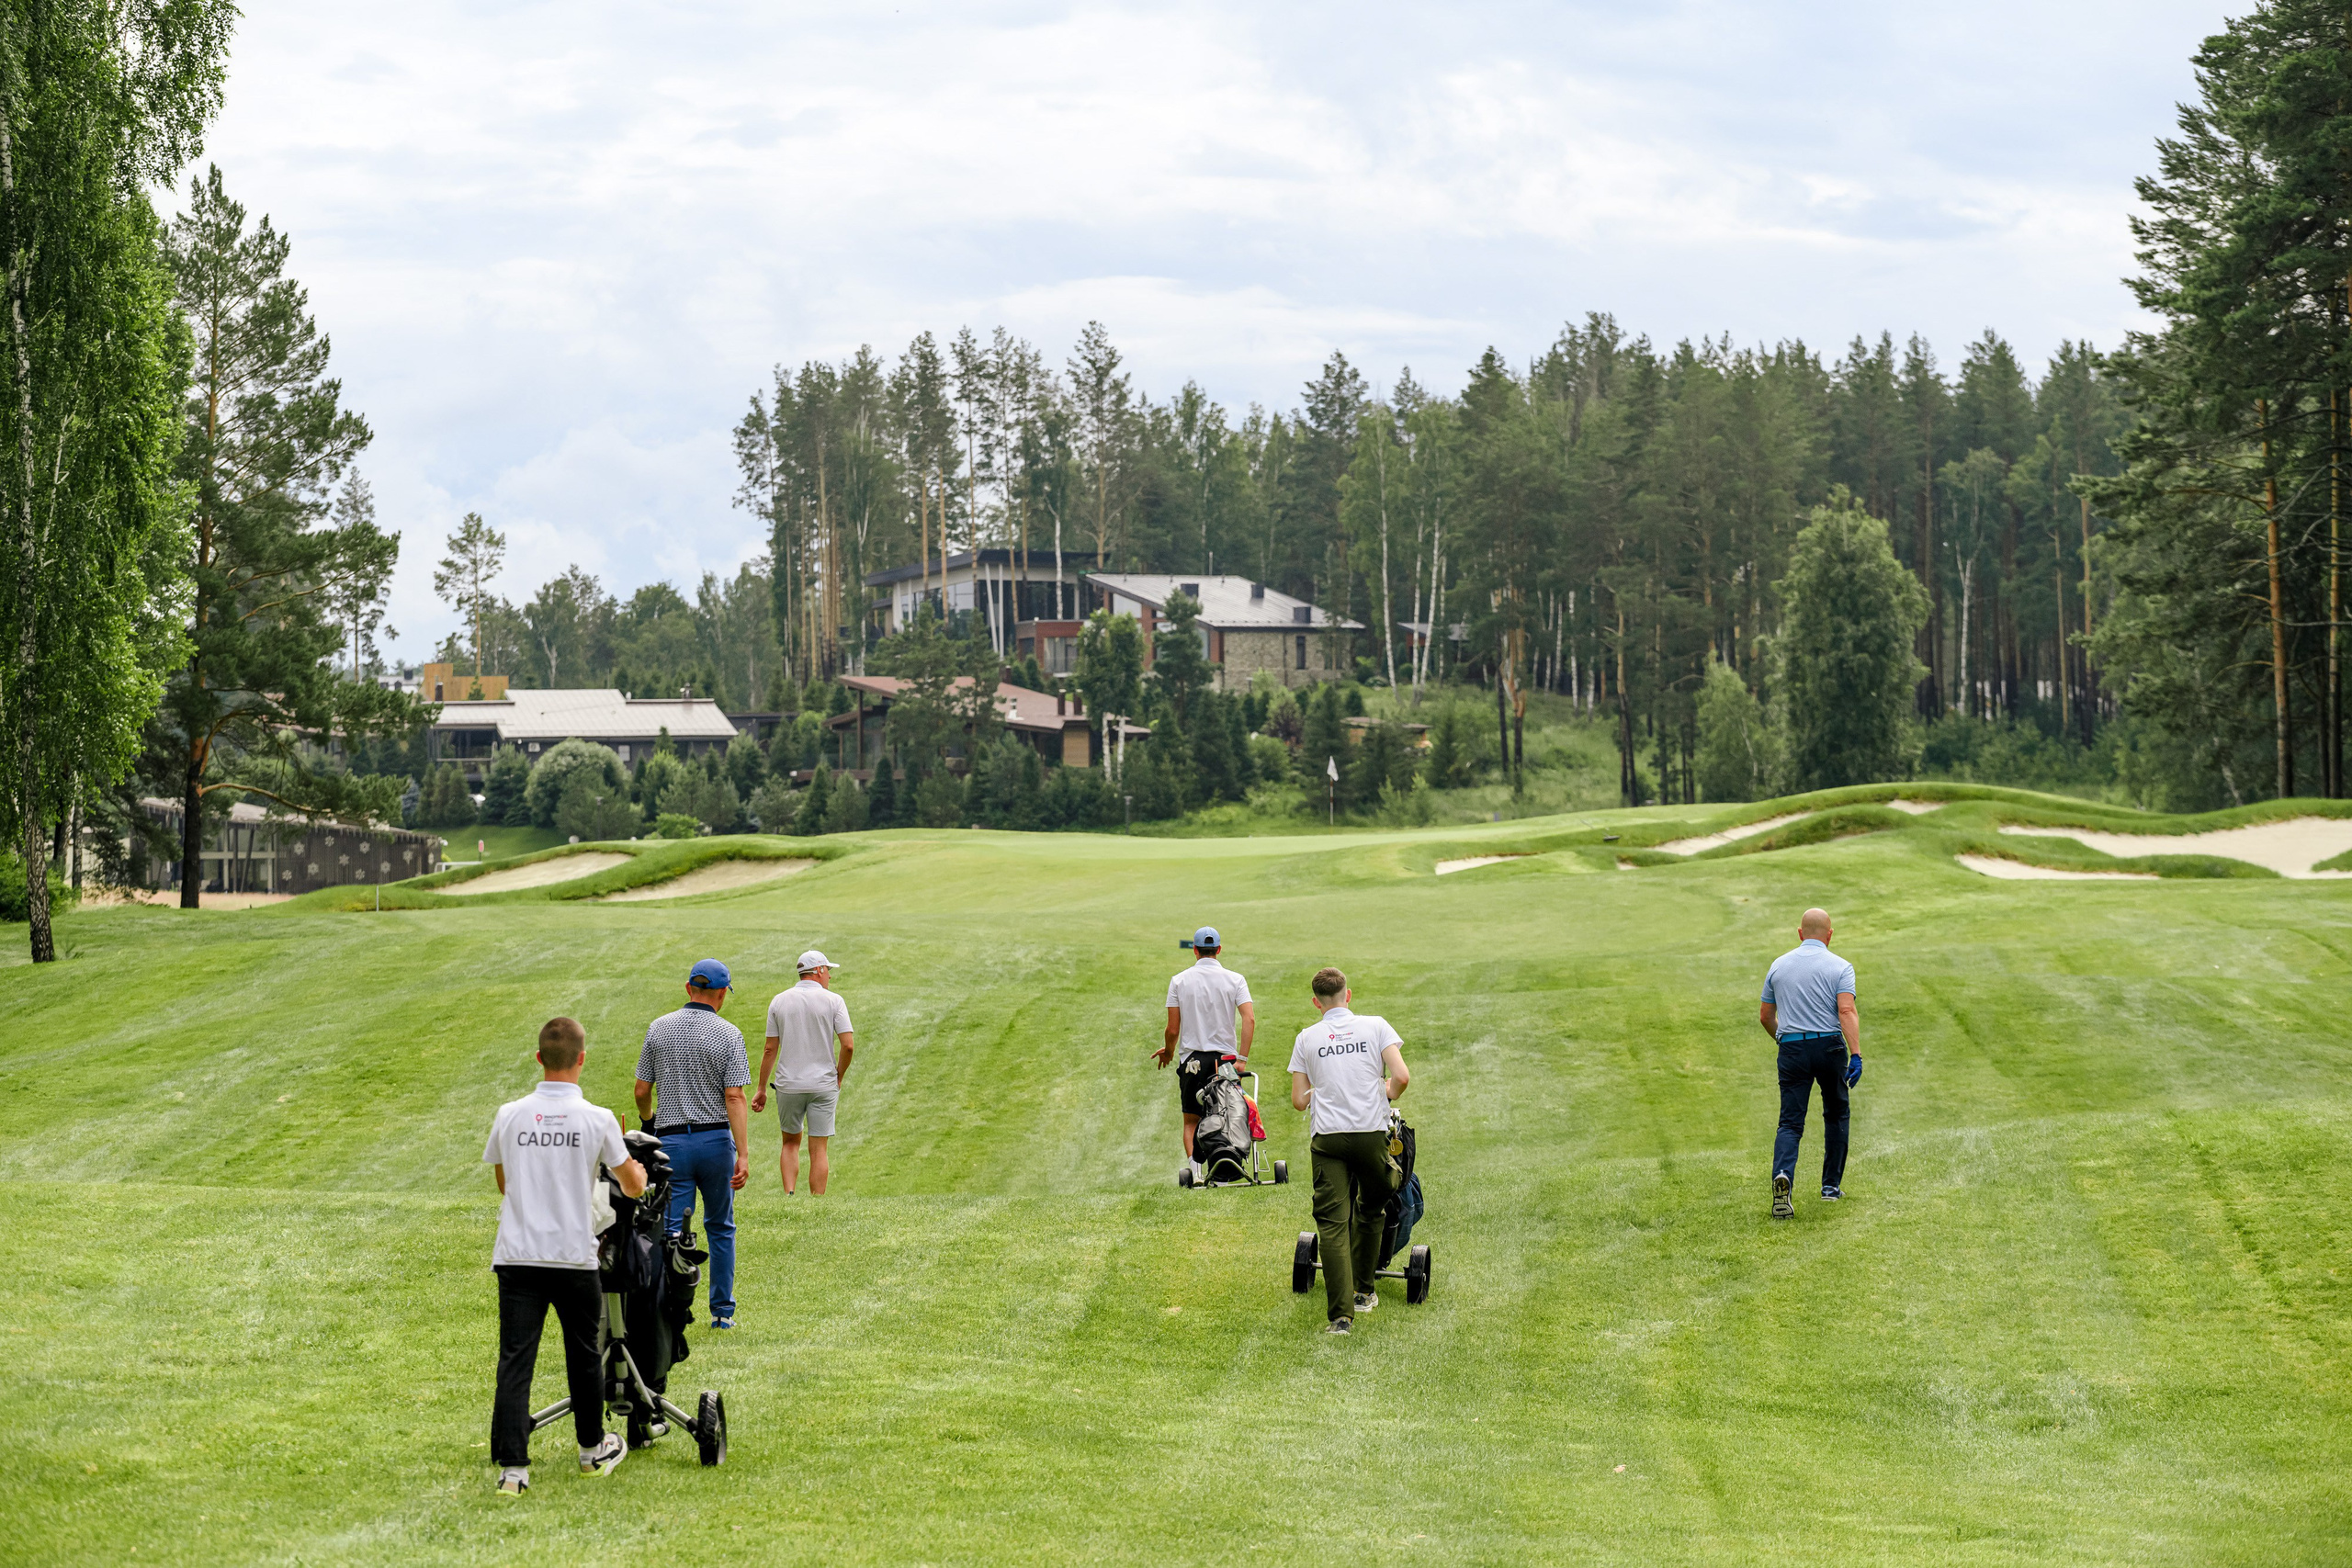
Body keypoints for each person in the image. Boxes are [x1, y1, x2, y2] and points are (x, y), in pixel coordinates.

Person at [484, 1016, 648, 1495]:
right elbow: (632, 1185)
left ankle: (514, 1470)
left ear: (539, 1058)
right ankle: (591, 1450)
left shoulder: (510, 1114)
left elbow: (505, 1182)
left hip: (518, 1254)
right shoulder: (596, 1118)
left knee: (516, 1358)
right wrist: (632, 1171)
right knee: (582, 1353)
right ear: (581, 1059)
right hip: (574, 1256)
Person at [1287, 966, 1409, 1336]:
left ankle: (1341, 1318)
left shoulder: (1307, 1037)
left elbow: (1297, 1100)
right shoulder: (1375, 1026)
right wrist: (1386, 1093)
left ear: (1316, 1003)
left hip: (1327, 1139)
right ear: (1348, 995)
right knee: (1371, 1207)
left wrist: (1325, 1087)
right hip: (1371, 1133)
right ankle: (1364, 1291)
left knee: (1332, 1224)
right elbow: (1401, 1076)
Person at [634, 958, 752, 1328]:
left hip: (672, 1143)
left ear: (688, 989)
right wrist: (743, 1152)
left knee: (671, 1233)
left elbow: (641, 1090)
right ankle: (722, 1313)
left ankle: (672, 1308)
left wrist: (649, 1122)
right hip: (716, 1140)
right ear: (721, 994)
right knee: (720, 1226)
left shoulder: (658, 1028)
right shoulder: (729, 1034)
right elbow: (734, 1096)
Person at [1758, 906, 1862, 1218]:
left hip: (1792, 1048)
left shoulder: (1778, 966)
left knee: (1790, 1121)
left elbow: (1765, 1016)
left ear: (1800, 934)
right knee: (1836, 1112)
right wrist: (1855, 1054)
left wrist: (1783, 1039)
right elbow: (1846, 1011)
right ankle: (1830, 1186)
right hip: (1829, 1047)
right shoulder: (1841, 967)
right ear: (1829, 935)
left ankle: (1784, 1176)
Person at [1154, 925, 1257, 1184]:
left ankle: (1198, 1175)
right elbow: (1249, 1019)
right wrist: (1241, 1058)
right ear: (1219, 950)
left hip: (1194, 1061)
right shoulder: (1236, 979)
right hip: (1226, 1061)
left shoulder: (1179, 980)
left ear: (1195, 951)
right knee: (1229, 1114)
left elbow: (1172, 1028)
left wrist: (1167, 1053)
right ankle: (1225, 1173)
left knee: (1192, 1119)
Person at [752, 949, 855, 1195]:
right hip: (823, 1084)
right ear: (818, 970)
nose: (829, 976)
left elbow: (769, 1049)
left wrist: (761, 1088)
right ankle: (817, 1200)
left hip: (789, 1085)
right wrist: (838, 1075)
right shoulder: (834, 1000)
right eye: (828, 970)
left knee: (789, 1143)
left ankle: (789, 1195)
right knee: (819, 1148)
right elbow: (848, 1045)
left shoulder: (779, 1000)